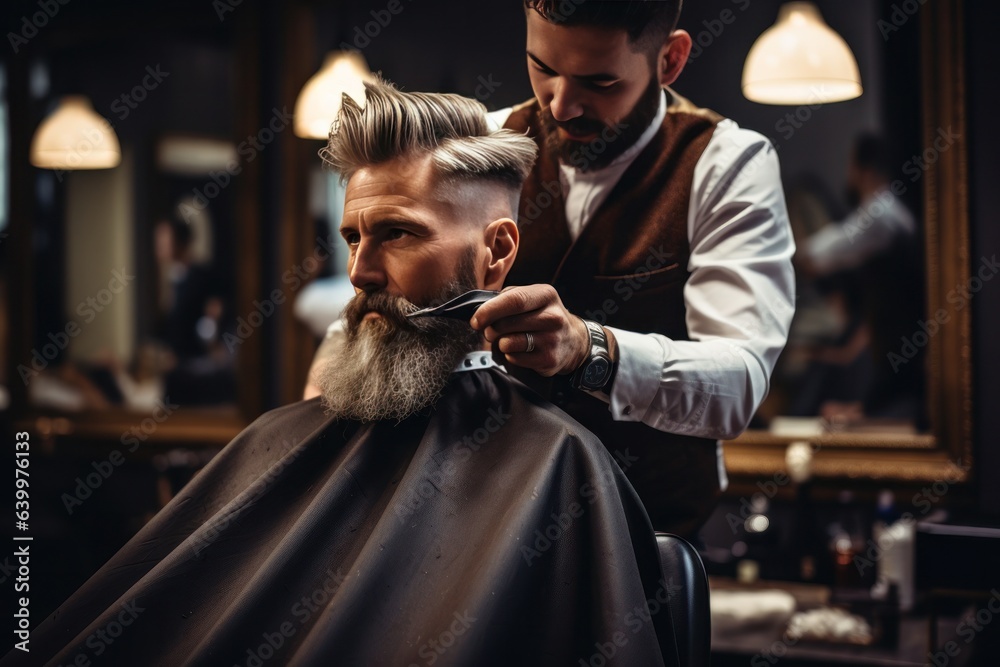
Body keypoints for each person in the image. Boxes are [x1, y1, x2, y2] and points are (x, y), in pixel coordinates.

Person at [4, 79, 679, 667]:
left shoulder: (558, 464)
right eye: (354, 237)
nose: (359, 272)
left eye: (398, 233)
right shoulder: (287, 434)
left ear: (497, 251)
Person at [426, 0, 797, 538]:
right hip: (482, 526)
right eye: (543, 69)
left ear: (669, 60)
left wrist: (589, 350)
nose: (561, 106)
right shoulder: (483, 145)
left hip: (648, 536)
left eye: (599, 83)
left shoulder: (727, 165)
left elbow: (738, 385)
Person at [795, 133, 923, 422]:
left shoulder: (881, 214)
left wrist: (796, 251)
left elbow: (825, 253)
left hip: (899, 344)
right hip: (893, 349)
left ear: (862, 169)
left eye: (850, 163)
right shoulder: (894, 213)